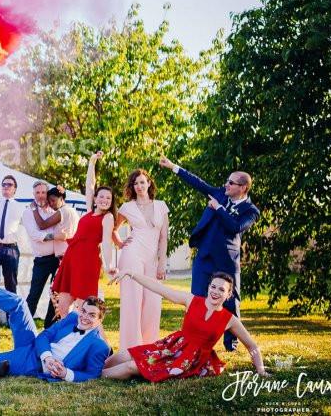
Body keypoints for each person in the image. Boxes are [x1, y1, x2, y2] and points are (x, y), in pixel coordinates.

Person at [0, 256, 110, 382]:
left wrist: (66, 374)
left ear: (100, 320)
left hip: (33, 363)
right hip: (35, 347)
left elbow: (92, 375)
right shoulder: (73, 317)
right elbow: (44, 336)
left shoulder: (99, 346)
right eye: (84, 311)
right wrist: (48, 356)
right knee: (19, 303)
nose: (84, 317)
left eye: (92, 315)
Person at [159, 156, 260, 351]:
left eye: (231, 183)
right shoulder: (220, 193)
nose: (226, 185)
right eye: (227, 181)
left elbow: (235, 227)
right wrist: (173, 167)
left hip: (227, 260)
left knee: (231, 302)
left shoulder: (251, 210)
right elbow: (199, 183)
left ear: (243, 188)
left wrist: (218, 208)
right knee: (197, 297)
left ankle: (231, 343)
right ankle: (191, 337)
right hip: (204, 255)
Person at [101, 271, 268, 381]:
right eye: (213, 287)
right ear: (208, 287)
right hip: (171, 347)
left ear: (229, 294)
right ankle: (94, 368)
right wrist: (131, 273)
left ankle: (94, 376)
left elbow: (252, 346)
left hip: (189, 361)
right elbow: (160, 289)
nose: (215, 292)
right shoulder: (191, 300)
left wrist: (260, 369)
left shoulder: (229, 319)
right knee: (126, 354)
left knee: (133, 366)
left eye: (221, 289)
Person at [50, 152, 116, 319]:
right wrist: (92, 162)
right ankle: (67, 335)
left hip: (88, 261)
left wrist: (108, 265)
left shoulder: (108, 217)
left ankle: (92, 334)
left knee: (83, 307)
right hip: (72, 258)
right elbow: (90, 185)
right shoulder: (89, 211)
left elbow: (106, 243)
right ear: (95, 199)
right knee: (62, 306)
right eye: (101, 196)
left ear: (111, 202)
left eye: (108, 198)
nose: (104, 200)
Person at [113, 169, 169, 350]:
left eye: (142, 182)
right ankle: (130, 350)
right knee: (132, 302)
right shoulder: (126, 207)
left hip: (152, 259)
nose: (139, 186)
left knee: (153, 302)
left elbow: (163, 238)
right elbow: (113, 229)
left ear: (149, 183)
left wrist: (162, 263)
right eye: (135, 183)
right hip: (132, 255)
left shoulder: (161, 206)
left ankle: (149, 349)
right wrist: (121, 244)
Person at [27, 184, 78, 326]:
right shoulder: (72, 212)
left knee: (56, 295)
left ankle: (50, 325)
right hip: (64, 256)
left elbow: (42, 225)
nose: (51, 203)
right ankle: (50, 325)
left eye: (54, 200)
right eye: (49, 201)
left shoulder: (63, 211)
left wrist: (34, 209)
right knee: (56, 294)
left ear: (62, 198)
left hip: (63, 258)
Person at [21, 181, 59, 327]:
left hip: (57, 259)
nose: (41, 195)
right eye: (38, 192)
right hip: (41, 260)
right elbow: (34, 234)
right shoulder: (28, 212)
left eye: (44, 192)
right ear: (33, 194)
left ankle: (50, 326)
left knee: (56, 294)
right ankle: (25, 326)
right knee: (34, 294)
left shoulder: (55, 210)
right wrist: (56, 236)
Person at [0, 175, 24, 295]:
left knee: (11, 284)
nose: (6, 186)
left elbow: (33, 224)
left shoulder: (21, 207)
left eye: (9, 184)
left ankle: (11, 308)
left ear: (15, 189)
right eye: (4, 184)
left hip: (11, 249)